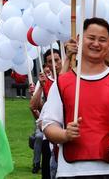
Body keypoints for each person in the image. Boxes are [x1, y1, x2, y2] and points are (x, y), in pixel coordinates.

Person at [42, 18, 109, 178]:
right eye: (91, 38)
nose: (96, 44)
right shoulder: (62, 82)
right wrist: (65, 135)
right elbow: (48, 123)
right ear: (79, 40)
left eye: (102, 40)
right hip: (71, 172)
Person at [30, 49, 62, 177]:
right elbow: (34, 106)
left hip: (65, 134)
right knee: (48, 172)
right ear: (46, 64)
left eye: (57, 60)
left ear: (62, 60)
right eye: (50, 61)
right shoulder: (45, 81)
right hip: (49, 136)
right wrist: (42, 87)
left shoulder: (71, 77)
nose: (54, 64)